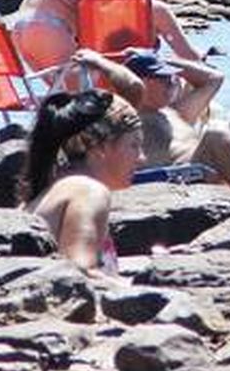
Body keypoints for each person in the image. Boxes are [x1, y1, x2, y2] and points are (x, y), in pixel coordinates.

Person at [74, 48, 230, 200]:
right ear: (143, 81)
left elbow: (214, 78)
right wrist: (100, 61)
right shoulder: (130, 115)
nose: (172, 83)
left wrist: (167, 60)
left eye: (171, 78)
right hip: (200, 174)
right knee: (216, 132)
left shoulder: (175, 111)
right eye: (162, 79)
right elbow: (131, 87)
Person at [21, 89, 145, 275]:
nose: (142, 158)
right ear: (101, 147)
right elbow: (79, 275)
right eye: (134, 145)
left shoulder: (53, 190)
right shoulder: (88, 191)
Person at [135, 0, 210, 74]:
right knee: (211, 77)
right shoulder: (157, 9)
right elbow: (188, 55)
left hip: (116, 72)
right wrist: (203, 56)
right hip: (143, 76)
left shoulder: (120, 5)